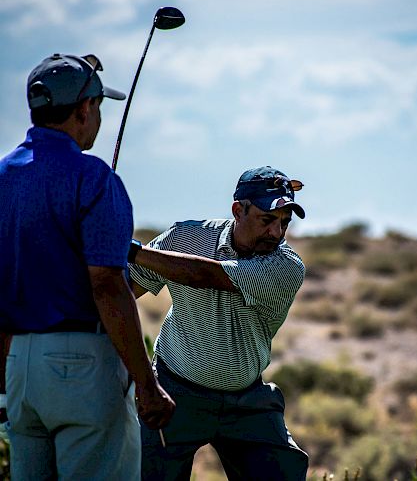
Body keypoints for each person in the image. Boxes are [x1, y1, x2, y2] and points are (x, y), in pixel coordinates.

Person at [0, 53, 175, 480]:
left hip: (17, 365)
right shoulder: (93, 178)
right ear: (85, 109)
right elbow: (108, 286)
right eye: (98, 106)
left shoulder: (3, 175)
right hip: (82, 368)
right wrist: (147, 387)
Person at [128, 166, 309, 480]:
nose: (276, 234)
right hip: (173, 392)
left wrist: (129, 250)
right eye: (267, 220)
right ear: (238, 210)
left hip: (248, 400)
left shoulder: (286, 266)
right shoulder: (185, 238)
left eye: (284, 223)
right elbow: (126, 291)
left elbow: (205, 275)